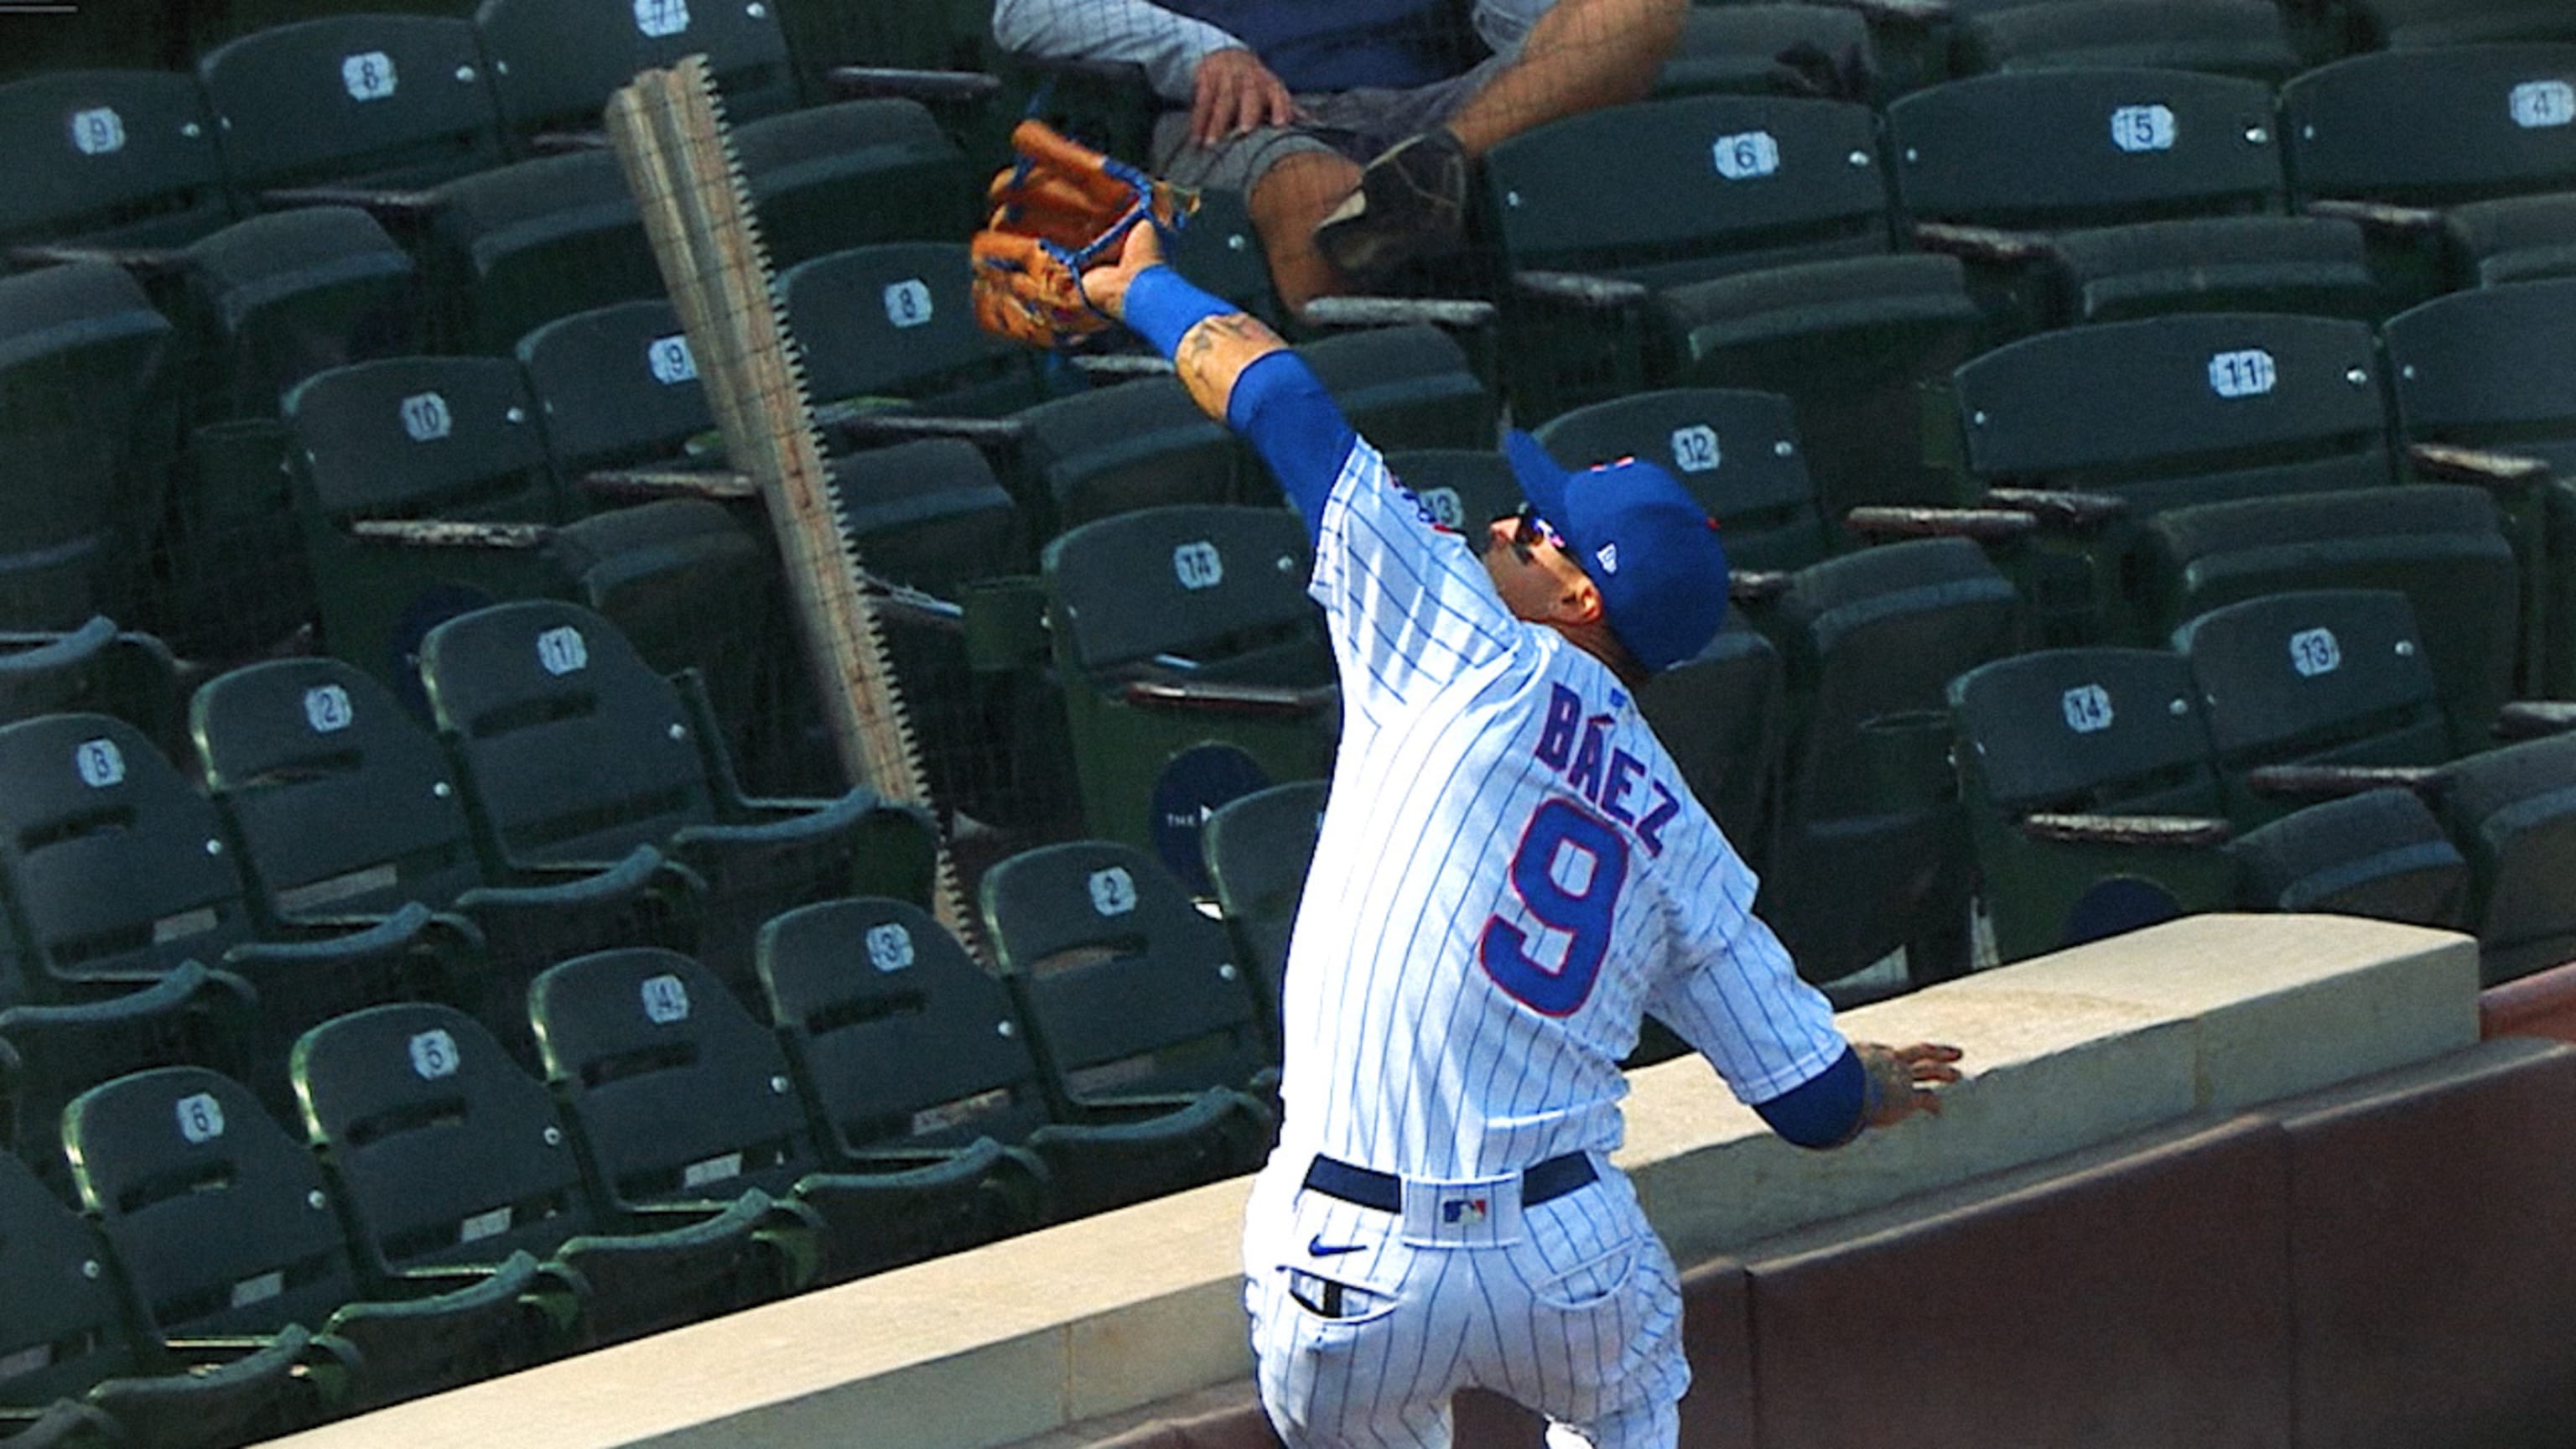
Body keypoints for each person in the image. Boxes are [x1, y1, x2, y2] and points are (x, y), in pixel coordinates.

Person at [1070, 224, 1965, 1448]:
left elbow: (1281, 399)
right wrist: (1872, 1083)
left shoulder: (1454, 634)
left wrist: (1137, 283)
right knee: (1631, 1405)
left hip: (1349, 1258)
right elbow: (1809, 1106)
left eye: (1539, 528)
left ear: (1582, 597)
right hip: (1564, 1260)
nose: (1503, 524)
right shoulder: (1680, 836)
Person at [989, 0, 1685, 310]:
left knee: (1635, 6)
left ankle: (1432, 168)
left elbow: (1519, 18)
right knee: (1324, 208)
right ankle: (1386, 451)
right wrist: (1200, 50)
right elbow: (1026, 10)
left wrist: (1550, 40)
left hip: (1436, 110)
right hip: (1250, 115)